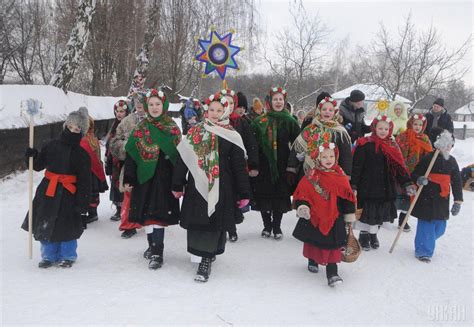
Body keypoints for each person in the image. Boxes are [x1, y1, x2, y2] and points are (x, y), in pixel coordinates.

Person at [172, 92, 250, 282]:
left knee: (215, 221)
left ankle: (206, 259)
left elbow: (239, 166)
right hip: (197, 185)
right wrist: (177, 183)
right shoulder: (196, 131)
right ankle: (201, 252)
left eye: (219, 110)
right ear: (206, 111)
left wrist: (244, 192)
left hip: (222, 186)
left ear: (226, 111)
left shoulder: (232, 135)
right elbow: (184, 159)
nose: (215, 114)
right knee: (199, 220)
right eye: (212, 110)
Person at [22, 107, 91, 268]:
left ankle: (68, 255)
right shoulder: (51, 145)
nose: (73, 131)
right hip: (48, 192)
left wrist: (83, 203)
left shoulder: (82, 155)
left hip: (69, 193)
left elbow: (85, 181)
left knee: (67, 226)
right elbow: (38, 165)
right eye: (71, 126)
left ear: (81, 132)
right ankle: (49, 256)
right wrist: (31, 156)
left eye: (77, 129)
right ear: (65, 125)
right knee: (46, 223)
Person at [123, 89, 182, 269]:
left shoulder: (172, 128)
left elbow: (180, 158)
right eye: (151, 104)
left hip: (164, 180)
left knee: (158, 217)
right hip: (144, 179)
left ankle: (158, 252)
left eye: (158, 104)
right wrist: (129, 179)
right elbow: (131, 155)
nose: (154, 108)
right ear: (146, 107)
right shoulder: (141, 128)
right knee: (146, 215)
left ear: (164, 105)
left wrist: (178, 182)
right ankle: (151, 246)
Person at [293, 137, 356, 287]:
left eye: (331, 156)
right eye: (324, 156)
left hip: (334, 216)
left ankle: (332, 272)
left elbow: (347, 197)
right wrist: (303, 206)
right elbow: (303, 194)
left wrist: (348, 213)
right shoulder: (311, 176)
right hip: (314, 215)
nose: (329, 159)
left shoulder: (340, 176)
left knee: (333, 245)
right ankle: (312, 259)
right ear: (318, 158)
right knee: (314, 241)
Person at [351, 115, 416, 251]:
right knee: (366, 212)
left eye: (386, 128)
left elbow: (399, 167)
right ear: (374, 128)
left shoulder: (392, 145)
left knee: (379, 213)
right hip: (367, 185)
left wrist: (406, 183)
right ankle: (364, 235)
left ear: (390, 130)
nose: (383, 131)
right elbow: (356, 166)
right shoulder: (365, 144)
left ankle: (373, 235)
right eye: (380, 128)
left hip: (385, 185)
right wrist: (354, 184)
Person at [251, 87, 300, 239]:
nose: (278, 102)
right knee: (264, 195)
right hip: (264, 164)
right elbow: (253, 144)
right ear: (269, 102)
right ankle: (267, 226)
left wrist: (293, 164)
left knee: (280, 195)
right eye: (275, 99)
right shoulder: (260, 121)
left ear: (284, 102)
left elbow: (298, 143)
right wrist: (253, 164)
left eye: (281, 99)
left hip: (282, 164)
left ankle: (277, 226)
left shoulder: (290, 121)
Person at [410, 130, 463, 263]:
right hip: (427, 195)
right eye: (444, 145)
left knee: (440, 227)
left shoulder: (452, 161)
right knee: (426, 224)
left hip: (442, 198)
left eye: (449, 145)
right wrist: (420, 179)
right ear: (438, 145)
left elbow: (457, 181)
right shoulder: (428, 158)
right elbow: (415, 173)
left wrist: (457, 201)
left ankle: (425, 241)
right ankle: (423, 251)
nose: (447, 148)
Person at [221, 88, 259, 242]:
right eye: (225, 103)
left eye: (231, 103)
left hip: (237, 166)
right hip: (220, 167)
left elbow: (251, 145)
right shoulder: (213, 122)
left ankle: (232, 227)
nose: (228, 106)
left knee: (233, 197)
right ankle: (224, 227)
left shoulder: (241, 122)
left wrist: (253, 164)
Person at [109, 93, 147, 238]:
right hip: (131, 165)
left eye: (142, 102)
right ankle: (129, 225)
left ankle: (147, 221)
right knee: (129, 194)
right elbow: (114, 143)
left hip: (150, 165)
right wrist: (128, 147)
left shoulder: (154, 121)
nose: (139, 104)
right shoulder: (126, 121)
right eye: (136, 101)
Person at [290, 96, 352, 180]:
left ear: (335, 112)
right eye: (324, 109)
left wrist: (346, 175)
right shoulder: (310, 129)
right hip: (308, 173)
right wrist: (291, 168)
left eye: (330, 110)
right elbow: (297, 148)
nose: (327, 112)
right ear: (319, 111)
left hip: (331, 175)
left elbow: (346, 155)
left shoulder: (340, 132)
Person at [395, 114, 432, 231]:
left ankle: (403, 220)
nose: (417, 127)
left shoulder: (425, 138)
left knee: (410, 197)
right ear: (411, 123)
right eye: (415, 124)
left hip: (417, 173)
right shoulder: (403, 136)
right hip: (403, 171)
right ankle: (387, 215)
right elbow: (398, 153)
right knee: (397, 195)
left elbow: (428, 155)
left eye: (420, 125)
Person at [80, 115, 108, 225]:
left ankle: (93, 213)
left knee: (92, 193)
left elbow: (97, 156)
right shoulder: (79, 138)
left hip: (92, 171)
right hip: (83, 170)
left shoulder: (93, 140)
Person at [105, 100, 129, 221]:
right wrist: (107, 157)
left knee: (124, 184)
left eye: (122, 111)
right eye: (117, 111)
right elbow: (109, 143)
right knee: (115, 184)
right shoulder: (114, 125)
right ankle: (119, 208)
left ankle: (126, 209)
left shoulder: (129, 124)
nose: (119, 114)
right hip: (113, 160)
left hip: (124, 159)